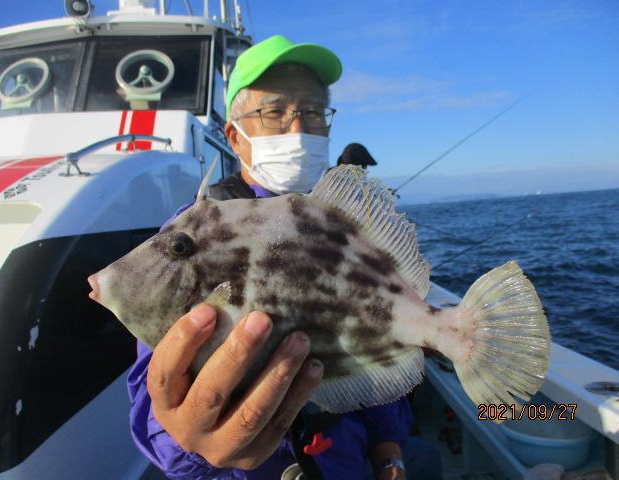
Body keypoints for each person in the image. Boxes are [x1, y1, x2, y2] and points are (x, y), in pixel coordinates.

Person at [127, 35, 440, 480]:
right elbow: (157, 403)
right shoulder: (193, 235)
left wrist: (389, 450)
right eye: (274, 112)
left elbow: (372, 354)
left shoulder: (351, 228)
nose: (299, 129)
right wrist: (189, 439)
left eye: (313, 113)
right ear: (235, 137)